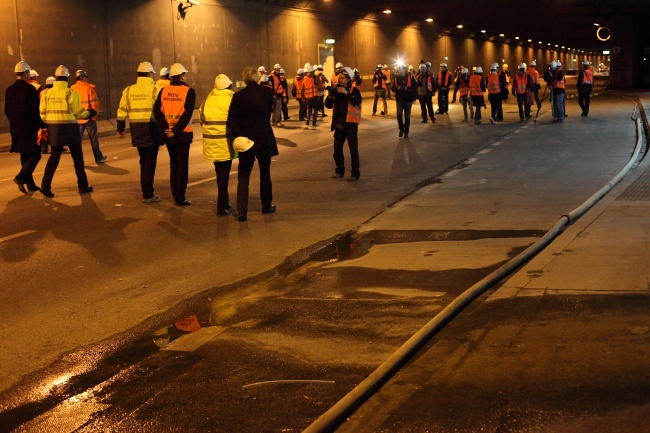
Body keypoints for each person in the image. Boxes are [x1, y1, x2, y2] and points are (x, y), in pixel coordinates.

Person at [227, 66, 279, 222]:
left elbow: (232, 120)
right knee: (265, 173)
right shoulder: (267, 92)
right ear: (257, 77)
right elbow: (270, 111)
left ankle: (242, 211)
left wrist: (240, 135)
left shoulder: (238, 96)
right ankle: (266, 205)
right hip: (264, 137)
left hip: (246, 140)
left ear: (244, 79)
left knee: (243, 175)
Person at [39, 65, 96, 197]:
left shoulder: (46, 93)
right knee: (77, 158)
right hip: (70, 128)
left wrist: (49, 124)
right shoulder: (70, 93)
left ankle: (45, 186)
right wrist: (90, 113)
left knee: (54, 158)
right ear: (67, 77)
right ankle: (83, 186)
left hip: (54, 128)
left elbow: (42, 113)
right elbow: (79, 113)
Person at [116, 61, 164, 203]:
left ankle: (146, 189)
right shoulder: (156, 89)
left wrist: (120, 129)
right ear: (150, 74)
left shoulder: (128, 90)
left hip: (136, 128)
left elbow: (121, 111)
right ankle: (147, 193)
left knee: (144, 160)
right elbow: (162, 110)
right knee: (149, 161)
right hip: (152, 128)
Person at [153, 62, 195, 206]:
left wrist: (166, 129)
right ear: (182, 76)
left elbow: (157, 112)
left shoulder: (163, 91)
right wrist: (176, 131)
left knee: (174, 164)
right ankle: (180, 196)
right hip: (182, 134)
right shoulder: (189, 91)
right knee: (182, 165)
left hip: (168, 134)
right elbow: (187, 115)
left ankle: (174, 192)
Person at [5, 61, 45, 194]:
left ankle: (31, 184)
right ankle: (21, 177)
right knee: (35, 154)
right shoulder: (29, 89)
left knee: (24, 155)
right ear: (26, 73)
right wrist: (42, 125)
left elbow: (6, 110)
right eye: (29, 73)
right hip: (29, 128)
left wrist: (15, 122)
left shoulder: (9, 90)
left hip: (16, 129)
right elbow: (35, 110)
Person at [200, 74, 236, 215]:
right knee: (223, 176)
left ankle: (225, 201)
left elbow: (201, 118)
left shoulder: (208, 99)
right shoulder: (231, 98)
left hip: (211, 142)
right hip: (225, 143)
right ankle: (221, 206)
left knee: (219, 174)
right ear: (228, 85)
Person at [325, 66, 362, 181]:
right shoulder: (336, 89)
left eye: (342, 78)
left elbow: (357, 101)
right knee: (337, 149)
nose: (339, 80)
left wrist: (346, 93)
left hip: (350, 124)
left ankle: (355, 173)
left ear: (348, 79)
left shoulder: (354, 90)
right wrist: (331, 95)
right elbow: (328, 105)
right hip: (339, 124)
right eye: (339, 78)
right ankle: (339, 170)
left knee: (353, 149)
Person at [71, 69, 107, 164]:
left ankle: (78, 160)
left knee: (77, 141)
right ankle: (98, 158)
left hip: (77, 118)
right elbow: (94, 103)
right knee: (94, 139)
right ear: (83, 77)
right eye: (86, 77)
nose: (87, 79)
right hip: (89, 117)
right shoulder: (89, 88)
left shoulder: (72, 88)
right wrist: (95, 114)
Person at [391, 63, 417, 138]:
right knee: (399, 115)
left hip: (408, 99)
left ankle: (406, 132)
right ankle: (401, 129)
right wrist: (397, 88)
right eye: (399, 69)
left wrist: (410, 91)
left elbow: (415, 87)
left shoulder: (410, 77)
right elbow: (393, 89)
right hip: (400, 99)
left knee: (407, 116)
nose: (400, 71)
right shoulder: (396, 78)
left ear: (404, 69)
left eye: (401, 69)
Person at [38, 76, 56, 154]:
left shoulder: (42, 92)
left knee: (45, 133)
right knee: (52, 133)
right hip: (52, 115)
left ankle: (44, 148)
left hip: (43, 115)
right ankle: (53, 148)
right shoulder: (53, 92)